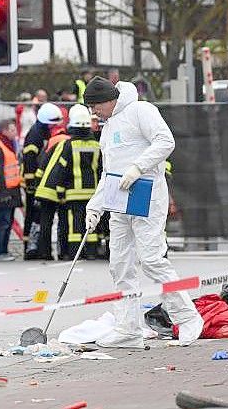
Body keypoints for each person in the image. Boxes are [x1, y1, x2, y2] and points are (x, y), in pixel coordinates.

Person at [83, 76, 203, 348]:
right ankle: (128, 327)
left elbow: (165, 141)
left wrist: (138, 167)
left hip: (147, 194)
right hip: (118, 200)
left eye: (95, 106)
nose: (94, 113)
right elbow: (108, 172)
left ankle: (186, 317)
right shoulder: (108, 127)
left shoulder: (141, 111)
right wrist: (95, 205)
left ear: (109, 100)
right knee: (120, 264)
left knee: (151, 259)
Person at [35, 105, 102, 260]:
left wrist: (59, 191)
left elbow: (62, 169)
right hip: (92, 192)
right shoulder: (96, 145)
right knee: (91, 222)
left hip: (73, 193)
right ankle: (91, 252)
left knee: (74, 224)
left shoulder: (69, 145)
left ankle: (74, 253)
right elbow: (100, 169)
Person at [22, 102, 63, 259]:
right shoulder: (35, 136)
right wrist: (31, 184)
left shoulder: (41, 133)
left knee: (37, 216)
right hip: (34, 183)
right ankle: (30, 248)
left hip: (39, 182)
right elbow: (29, 161)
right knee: (33, 216)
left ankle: (36, 248)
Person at [26, 121, 71, 260]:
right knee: (63, 222)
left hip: (45, 188)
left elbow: (42, 164)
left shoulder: (53, 141)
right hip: (61, 189)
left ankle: (44, 253)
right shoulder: (70, 143)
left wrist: (35, 185)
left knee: (46, 222)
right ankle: (63, 252)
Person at [0, 119, 23, 261]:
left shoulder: (7, 145)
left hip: (10, 191)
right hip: (1, 192)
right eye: (12, 130)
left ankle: (4, 250)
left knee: (8, 222)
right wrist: (3, 192)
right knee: (3, 222)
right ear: (4, 131)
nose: (15, 132)